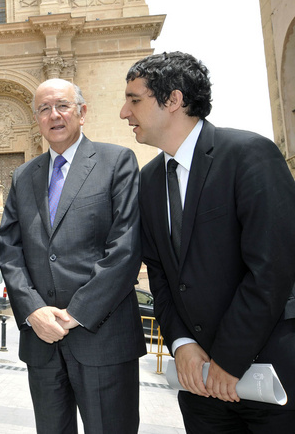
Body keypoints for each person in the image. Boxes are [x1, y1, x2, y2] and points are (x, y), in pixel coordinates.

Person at [120, 51, 295, 432]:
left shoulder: (249, 154)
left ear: (173, 100)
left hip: (271, 379)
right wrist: (181, 344)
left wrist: (228, 361)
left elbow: (272, 269)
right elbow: (162, 275)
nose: (124, 112)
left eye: (134, 99)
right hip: (198, 387)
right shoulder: (148, 180)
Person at [0, 78, 145, 434]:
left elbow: (125, 250)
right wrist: (33, 310)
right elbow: (10, 250)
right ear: (37, 119)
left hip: (104, 341)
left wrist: (75, 314)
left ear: (82, 112)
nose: (54, 115)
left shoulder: (117, 162)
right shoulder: (23, 176)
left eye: (62, 105)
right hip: (42, 344)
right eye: (44, 109)